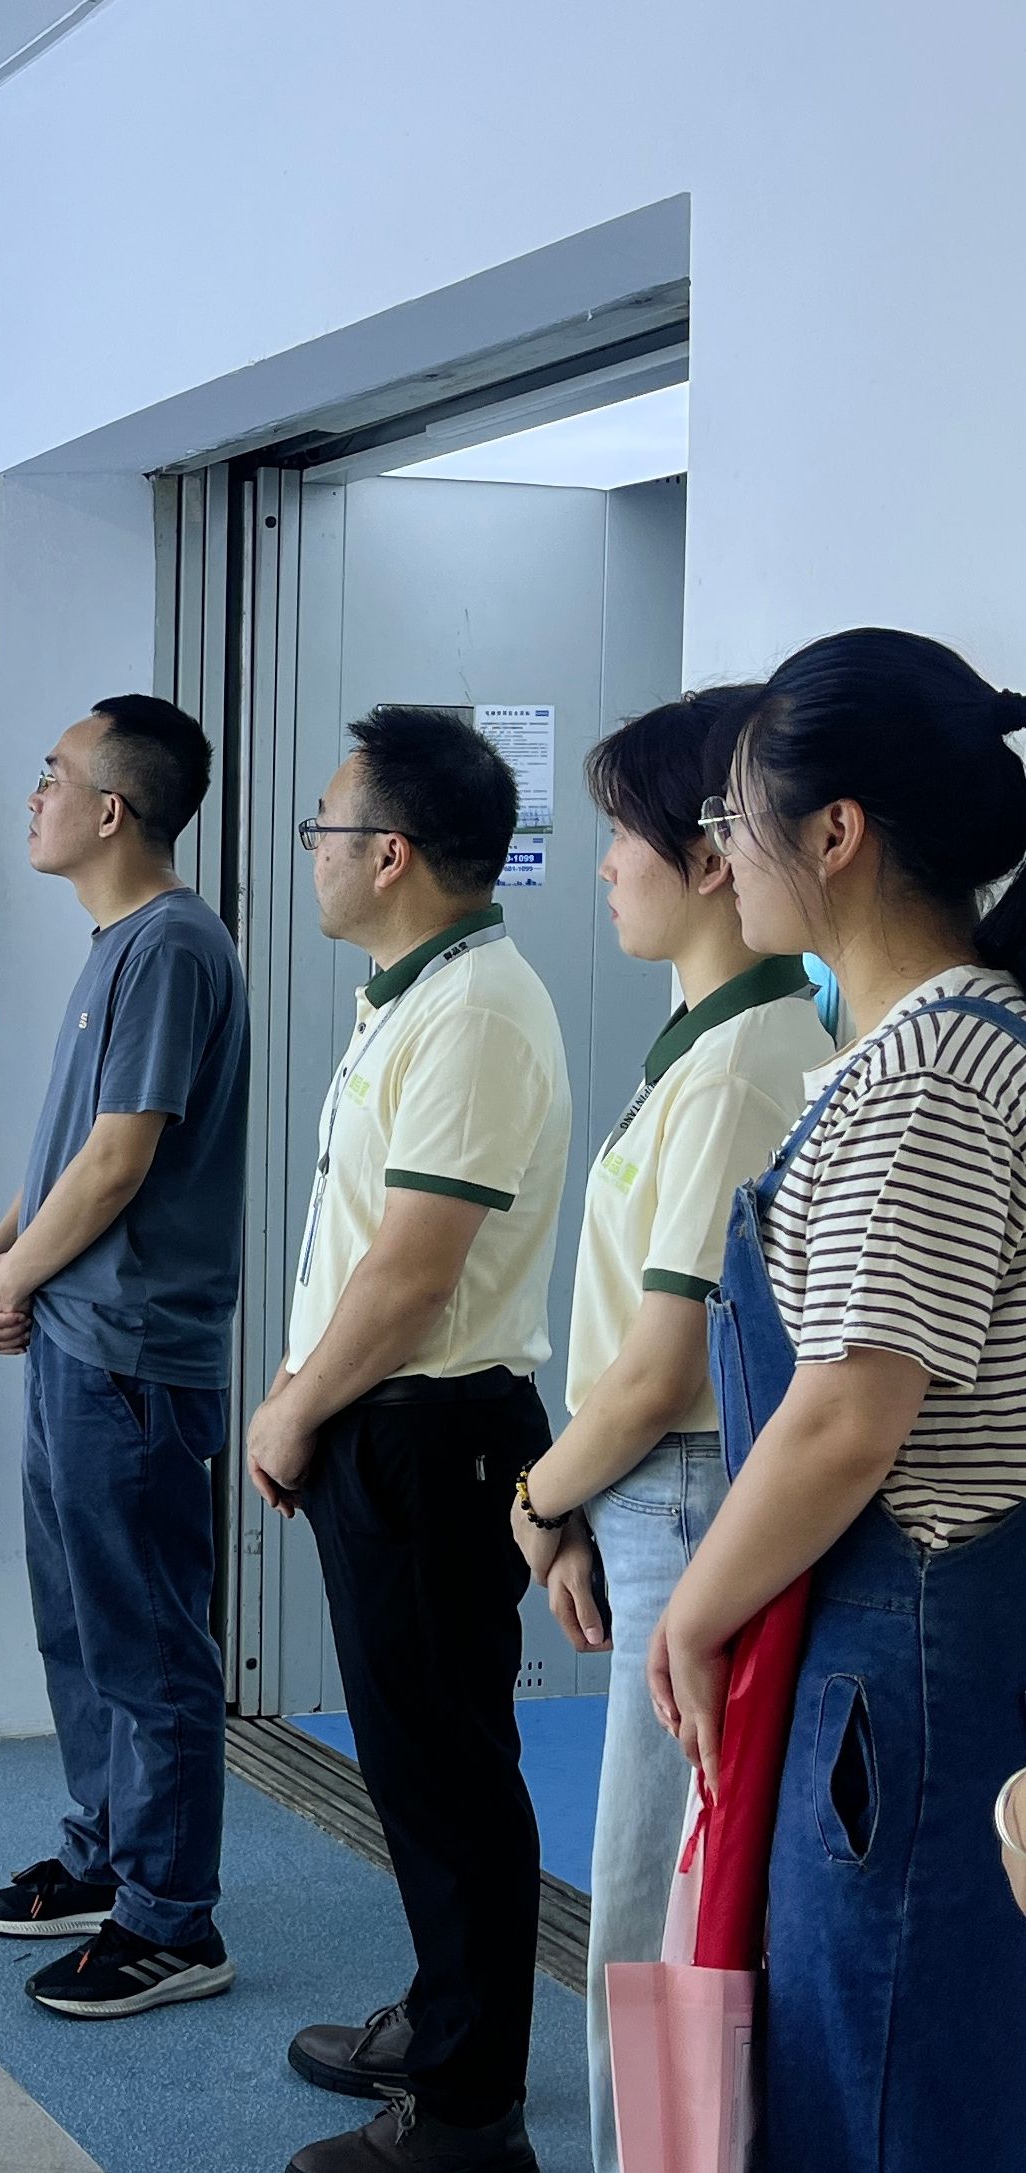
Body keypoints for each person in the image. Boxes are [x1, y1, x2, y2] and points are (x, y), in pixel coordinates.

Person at [647, 629, 1026, 2171]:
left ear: (836, 832)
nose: (717, 855)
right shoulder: (927, 1049)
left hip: (909, 1655)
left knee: (882, 2087)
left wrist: (691, 1615)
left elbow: (847, 1416)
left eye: (731, 818)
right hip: (887, 1646)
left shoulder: (936, 1069)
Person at [501, 688, 828, 2173]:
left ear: (707, 855)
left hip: (682, 1491)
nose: (601, 868)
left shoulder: (751, 1058)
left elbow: (662, 1364)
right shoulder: (705, 1045)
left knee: (656, 1916)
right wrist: (580, 1505)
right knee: (653, 1905)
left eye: (619, 835)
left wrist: (536, 1496)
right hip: (651, 1494)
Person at [251, 707, 569, 2173]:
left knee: (447, 1774)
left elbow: (413, 1273)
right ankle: (447, 2020)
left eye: (323, 825)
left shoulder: (476, 1010)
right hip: (389, 1419)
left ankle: (464, 2113)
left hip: (432, 1433)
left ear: (388, 852)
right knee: (418, 1761)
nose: (310, 850)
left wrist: (293, 1407)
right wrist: (309, 1389)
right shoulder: (417, 992)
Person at [0, 696, 249, 2018]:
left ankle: (171, 1920)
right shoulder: (115, 943)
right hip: (75, 1334)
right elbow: (76, 1145)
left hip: (131, 1351)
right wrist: (4, 1246)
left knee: (145, 1640)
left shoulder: (174, 944)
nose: (35, 796)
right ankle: (104, 1859)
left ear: (111, 808)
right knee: (78, 1625)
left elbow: (125, 1158)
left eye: (51, 774)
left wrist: (19, 1272)